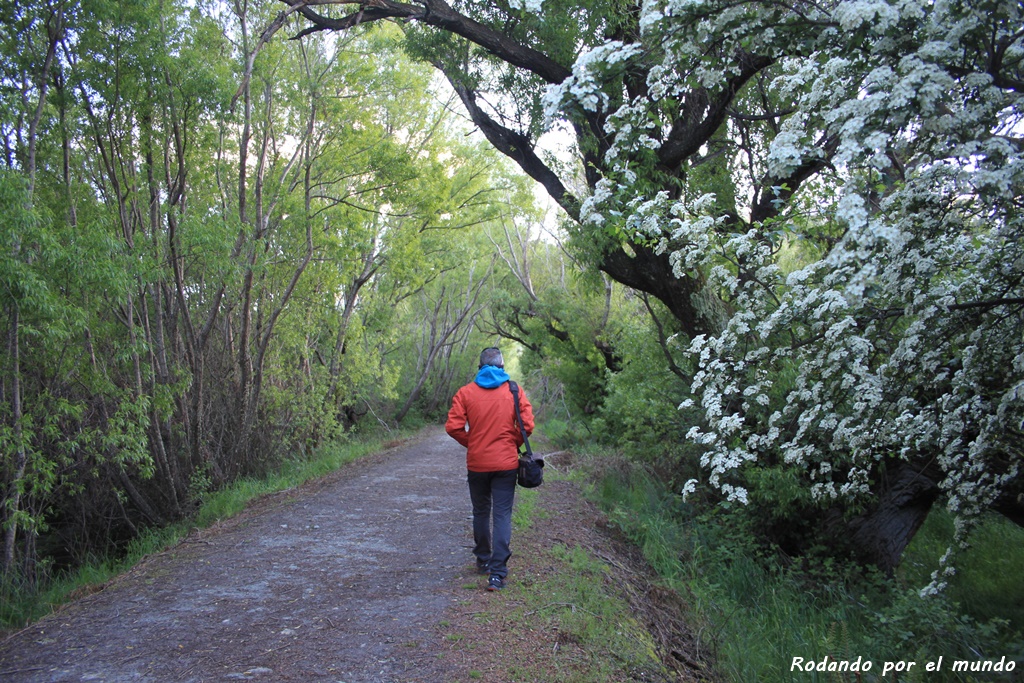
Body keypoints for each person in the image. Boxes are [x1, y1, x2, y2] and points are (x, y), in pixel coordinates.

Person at [445, 347, 534, 591]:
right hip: (506, 463)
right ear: (502, 367)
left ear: (480, 367)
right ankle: (497, 574)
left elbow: (453, 427)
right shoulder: (514, 390)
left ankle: (483, 560)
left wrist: (473, 442)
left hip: (477, 464)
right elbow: (527, 425)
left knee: (481, 512)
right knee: (502, 515)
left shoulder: (465, 393)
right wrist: (511, 443)